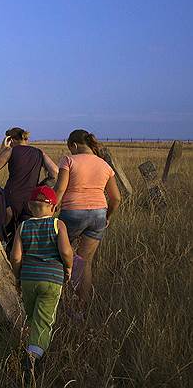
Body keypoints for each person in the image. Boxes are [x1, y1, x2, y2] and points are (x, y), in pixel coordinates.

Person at [10, 186, 73, 385]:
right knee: (44, 320)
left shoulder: (23, 226)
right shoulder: (58, 224)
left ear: (30, 206)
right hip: (52, 279)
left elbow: (16, 257)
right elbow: (65, 252)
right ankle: (32, 359)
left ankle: (32, 347)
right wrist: (69, 268)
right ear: (53, 207)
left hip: (28, 278)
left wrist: (18, 278)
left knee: (31, 316)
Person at [53, 129, 121, 304]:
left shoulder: (68, 160)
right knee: (85, 261)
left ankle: (58, 299)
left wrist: (51, 210)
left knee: (58, 254)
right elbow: (116, 198)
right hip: (98, 214)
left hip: (72, 212)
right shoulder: (105, 165)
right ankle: (81, 305)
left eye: (70, 147)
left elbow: (60, 189)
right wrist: (107, 216)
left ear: (74, 145)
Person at [0, 127, 59, 236]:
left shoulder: (11, 150)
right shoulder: (39, 152)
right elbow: (55, 172)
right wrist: (41, 186)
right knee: (25, 234)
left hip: (11, 198)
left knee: (6, 234)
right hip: (31, 200)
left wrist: (2, 149)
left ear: (11, 140)